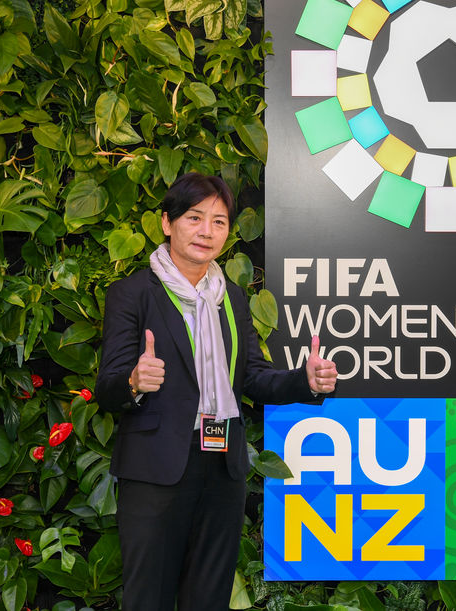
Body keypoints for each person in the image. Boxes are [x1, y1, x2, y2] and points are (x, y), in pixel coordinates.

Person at [95, 173, 338, 610]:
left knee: (208, 598)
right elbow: (107, 388)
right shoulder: (132, 294)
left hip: (223, 466)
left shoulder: (233, 299)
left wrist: (304, 380)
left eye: (219, 221)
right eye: (194, 218)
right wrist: (133, 381)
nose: (206, 231)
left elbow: (252, 377)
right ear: (167, 223)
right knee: (147, 598)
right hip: (156, 469)